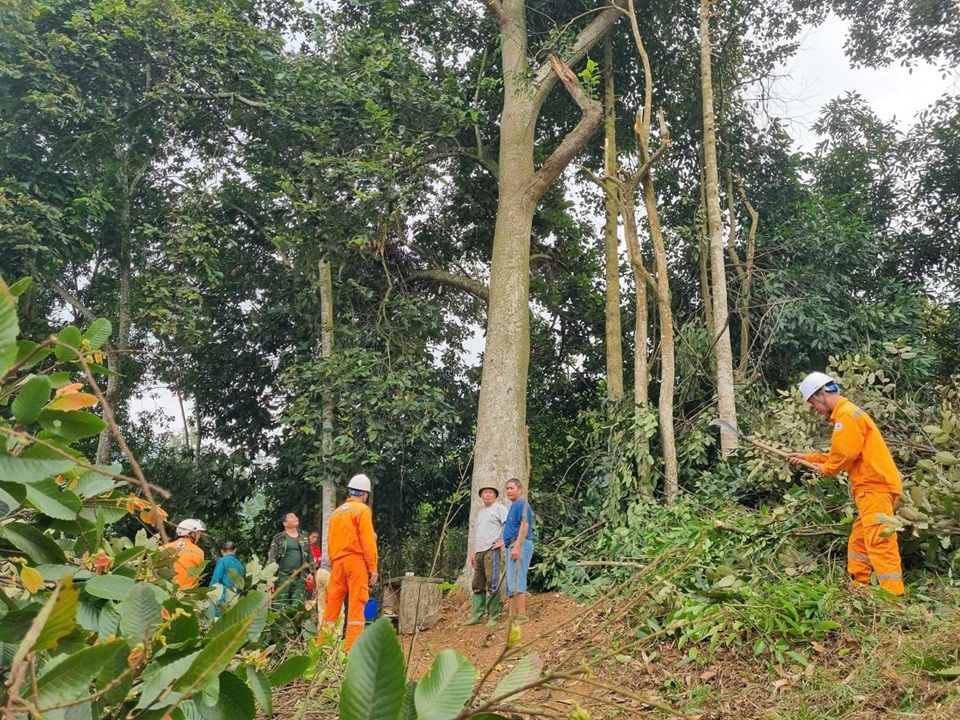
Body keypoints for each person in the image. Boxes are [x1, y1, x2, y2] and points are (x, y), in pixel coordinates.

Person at [787, 372, 905, 596]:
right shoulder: (847, 415)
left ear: (822, 394)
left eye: (813, 404)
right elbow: (837, 454)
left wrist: (827, 470)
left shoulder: (847, 416)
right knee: (859, 543)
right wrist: (806, 458)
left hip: (874, 488)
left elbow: (842, 455)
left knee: (880, 542)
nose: (815, 410)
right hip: (872, 488)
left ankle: (893, 597)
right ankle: (859, 589)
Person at [319, 474, 378, 652]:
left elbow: (329, 540)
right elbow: (367, 540)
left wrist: (335, 560)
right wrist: (373, 567)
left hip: (336, 563)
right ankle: (351, 650)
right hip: (356, 562)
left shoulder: (336, 513)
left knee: (332, 606)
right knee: (356, 605)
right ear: (365, 494)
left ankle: (322, 647)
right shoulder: (362, 510)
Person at [463, 485, 507, 627]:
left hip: (491, 550)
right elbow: (479, 533)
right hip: (480, 552)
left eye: (490, 492)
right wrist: (474, 551)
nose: (487, 495)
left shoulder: (499, 508)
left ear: (495, 495)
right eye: (485, 493)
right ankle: (477, 616)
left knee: (492, 582)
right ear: (481, 496)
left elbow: (507, 524)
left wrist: (503, 541)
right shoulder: (481, 512)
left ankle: (494, 616)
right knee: (477, 584)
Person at [267, 512, 315, 608]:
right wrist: (270, 580)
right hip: (282, 578)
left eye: (295, 516)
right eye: (291, 517)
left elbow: (310, 555)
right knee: (280, 607)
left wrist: (311, 572)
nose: (295, 518)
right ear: (285, 523)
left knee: (297, 608)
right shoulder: (279, 538)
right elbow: (271, 558)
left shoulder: (304, 536)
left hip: (299, 578)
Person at [503, 478, 534, 623]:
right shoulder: (513, 506)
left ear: (520, 489)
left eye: (512, 488)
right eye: (507, 488)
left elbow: (524, 526)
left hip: (519, 545)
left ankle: (521, 614)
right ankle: (511, 616)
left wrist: (517, 546)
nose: (509, 491)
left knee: (517, 577)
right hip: (511, 545)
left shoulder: (522, 504)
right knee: (510, 581)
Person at [161, 519, 206, 590]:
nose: (199, 537)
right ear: (192, 533)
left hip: (165, 591)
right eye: (198, 533)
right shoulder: (198, 552)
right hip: (186, 595)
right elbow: (198, 573)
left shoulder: (163, 548)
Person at [210, 541, 245, 607]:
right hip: (234, 597)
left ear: (222, 551)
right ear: (235, 550)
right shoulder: (239, 564)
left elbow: (216, 580)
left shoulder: (222, 561)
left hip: (222, 596)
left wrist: (209, 593)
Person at [305, 529, 322, 599]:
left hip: (312, 580)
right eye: (313, 537)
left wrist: (316, 585)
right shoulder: (303, 548)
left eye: (316, 538)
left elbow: (317, 566)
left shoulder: (316, 549)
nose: (315, 539)